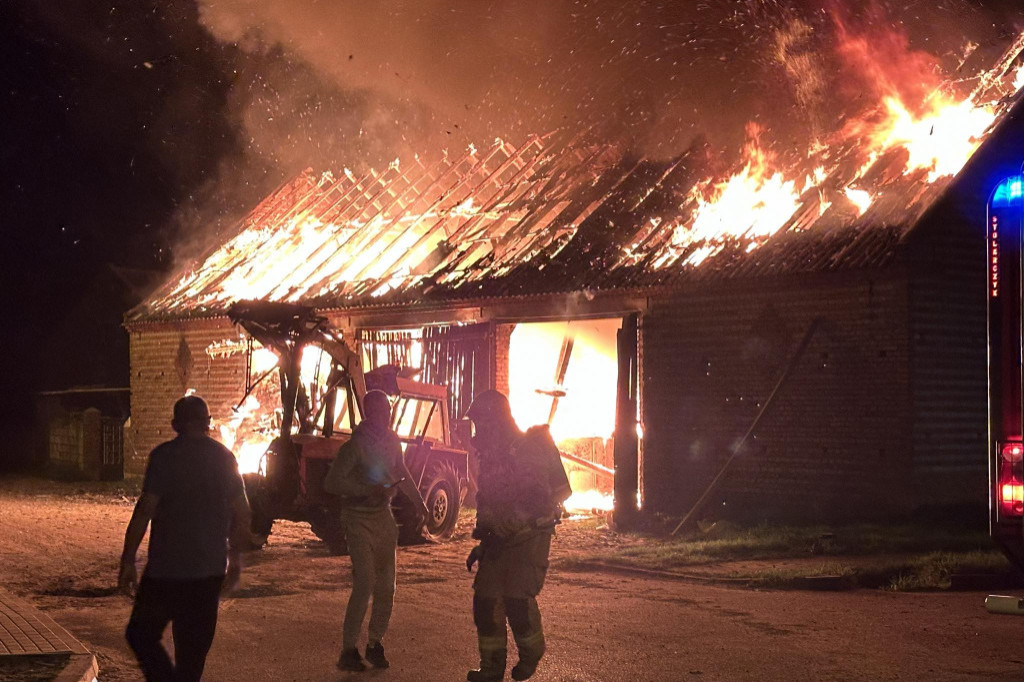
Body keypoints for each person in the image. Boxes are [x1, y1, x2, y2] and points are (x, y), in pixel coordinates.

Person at [119, 395, 251, 682]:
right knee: (191, 658)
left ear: (175, 424)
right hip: (208, 572)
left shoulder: (164, 456)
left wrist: (128, 559)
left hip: (166, 572)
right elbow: (243, 513)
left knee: (140, 634)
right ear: (207, 423)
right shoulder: (225, 458)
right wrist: (236, 563)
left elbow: (145, 510)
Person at [464, 390, 571, 682]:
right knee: (485, 599)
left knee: (516, 599)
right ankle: (490, 669)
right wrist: (485, 542)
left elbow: (536, 499)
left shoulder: (529, 450)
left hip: (530, 536)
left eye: (480, 422)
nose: (477, 431)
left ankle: (531, 652)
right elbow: (487, 499)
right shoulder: (490, 454)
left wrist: (506, 528)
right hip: (499, 540)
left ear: (494, 420)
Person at [324, 389, 425, 672]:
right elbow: (333, 483)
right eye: (382, 411)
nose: (387, 416)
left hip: (382, 516)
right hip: (356, 517)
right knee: (365, 581)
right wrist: (364, 490)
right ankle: (348, 649)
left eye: (389, 411)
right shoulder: (354, 446)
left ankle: (375, 643)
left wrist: (419, 503)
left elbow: (400, 470)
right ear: (370, 413)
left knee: (386, 584)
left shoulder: (392, 441)